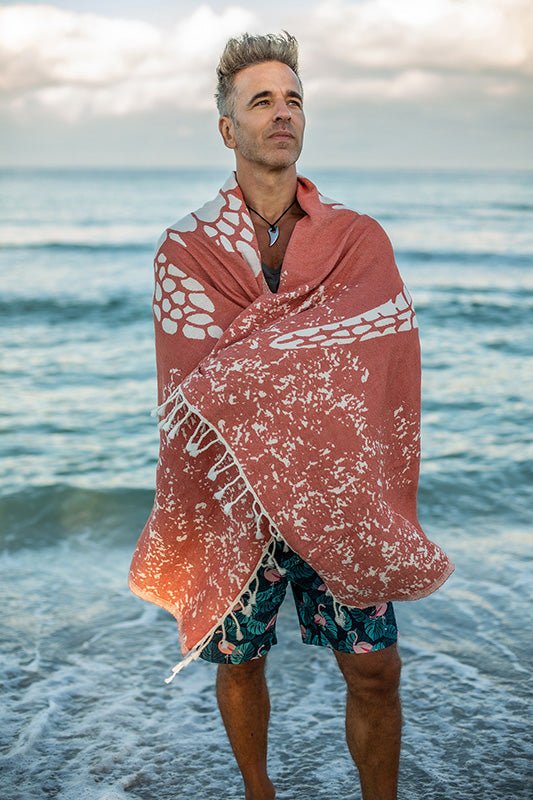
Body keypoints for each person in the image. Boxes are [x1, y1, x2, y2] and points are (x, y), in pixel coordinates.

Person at [206, 32, 401, 800]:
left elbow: (381, 361)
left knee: (375, 668)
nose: (281, 113)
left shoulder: (357, 239)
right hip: (237, 500)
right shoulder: (191, 250)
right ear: (228, 129)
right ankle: (261, 794)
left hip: (336, 491)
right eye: (261, 101)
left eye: (292, 99)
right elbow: (195, 381)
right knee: (239, 660)